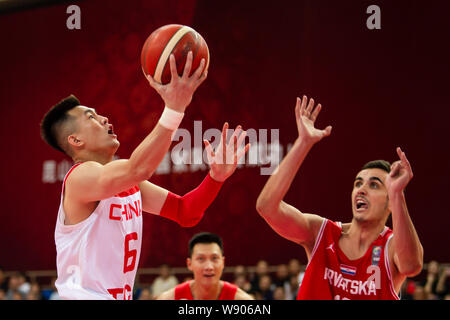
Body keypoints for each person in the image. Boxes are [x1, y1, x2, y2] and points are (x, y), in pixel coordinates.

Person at [40, 52, 250, 300]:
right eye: (92, 118)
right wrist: (174, 109)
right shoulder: (78, 178)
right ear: (75, 140)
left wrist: (215, 178)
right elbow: (139, 168)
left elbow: (186, 212)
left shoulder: (129, 183)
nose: (104, 118)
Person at [256, 95, 423, 300]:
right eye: (358, 183)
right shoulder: (321, 233)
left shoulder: (391, 247)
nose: (361, 189)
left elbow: (412, 266)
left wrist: (397, 194)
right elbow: (267, 207)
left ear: (390, 202)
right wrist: (303, 143)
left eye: (374, 185)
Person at [157, 232, 254, 300]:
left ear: (223, 262)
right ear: (189, 264)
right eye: (201, 259)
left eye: (214, 258)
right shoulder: (169, 298)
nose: (209, 267)